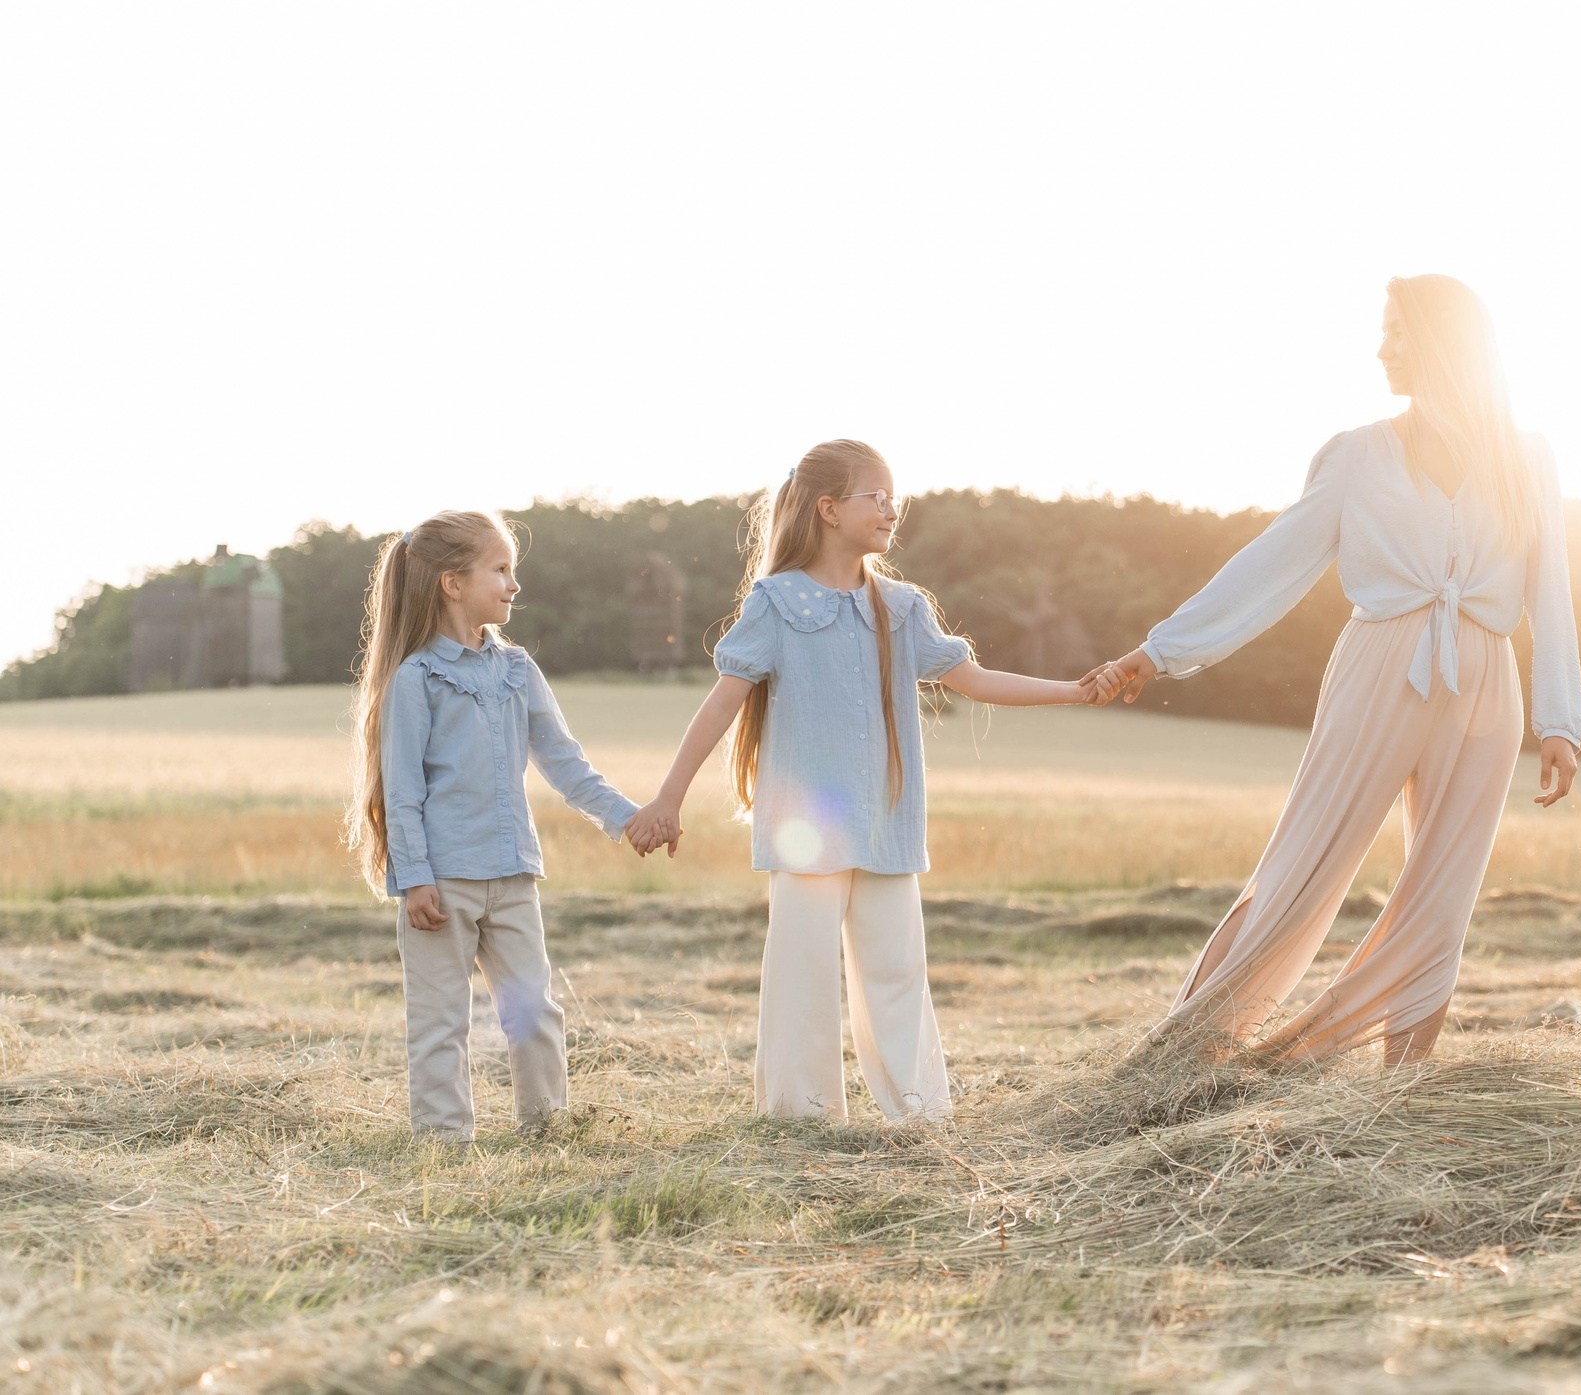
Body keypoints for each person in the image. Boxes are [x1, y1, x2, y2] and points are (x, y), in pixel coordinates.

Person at [1088, 275, 1581, 1066]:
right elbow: (1273, 563)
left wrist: (1560, 721)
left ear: (1443, 342)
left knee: (1441, 899)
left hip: (1487, 682)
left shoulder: (1528, 458)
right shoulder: (1357, 455)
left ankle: (1401, 1089)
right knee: (1298, 868)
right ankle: (1179, 1061)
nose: (1380, 347)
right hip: (1379, 667)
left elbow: (1551, 589)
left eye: (1395, 330)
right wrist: (1163, 649)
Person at [623, 438, 1116, 1124]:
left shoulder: (904, 605)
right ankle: (801, 1117)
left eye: (894, 496)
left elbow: (971, 679)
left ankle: (918, 1114)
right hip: (806, 831)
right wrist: (669, 798)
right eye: (874, 496)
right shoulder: (776, 602)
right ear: (828, 509)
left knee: (896, 974)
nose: (891, 509)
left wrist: (1072, 689)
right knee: (803, 977)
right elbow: (721, 705)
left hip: (886, 822)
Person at [348, 509, 646, 1142]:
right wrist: (415, 879)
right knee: (439, 1021)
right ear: (453, 583)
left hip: (512, 875)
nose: (515, 585)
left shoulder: (518, 670)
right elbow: (401, 792)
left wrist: (628, 819)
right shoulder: (416, 678)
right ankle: (445, 1144)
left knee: (535, 1011)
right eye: (502, 570)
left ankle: (548, 1131)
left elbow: (567, 765)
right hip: (441, 883)